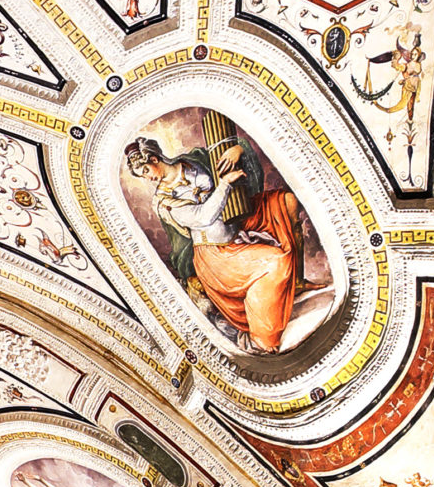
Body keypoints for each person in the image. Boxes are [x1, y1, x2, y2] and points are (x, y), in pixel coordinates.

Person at [123, 130, 309, 352]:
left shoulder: (193, 160)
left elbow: (236, 150)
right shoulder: (164, 203)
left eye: (145, 170)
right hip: (216, 252)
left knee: (287, 202)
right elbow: (203, 216)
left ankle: (296, 281)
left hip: (239, 220)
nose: (147, 177)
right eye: (141, 176)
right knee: (275, 262)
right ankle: (262, 338)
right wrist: (225, 184)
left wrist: (238, 149)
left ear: (154, 158)